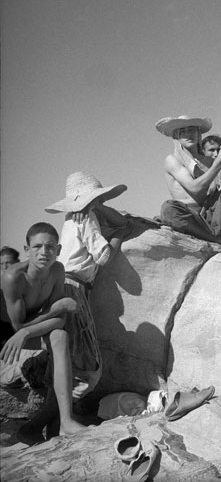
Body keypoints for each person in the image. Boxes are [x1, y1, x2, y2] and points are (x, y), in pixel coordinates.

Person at [44, 171, 132, 412]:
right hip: (74, 289)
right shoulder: (87, 217)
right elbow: (103, 256)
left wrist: (95, 206)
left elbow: (120, 220)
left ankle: (54, 424)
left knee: (69, 362)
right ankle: (44, 422)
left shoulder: (73, 218)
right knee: (87, 367)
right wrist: (118, 237)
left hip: (64, 286)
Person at [0, 223, 88, 444]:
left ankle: (66, 422)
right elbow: (17, 326)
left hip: (27, 331)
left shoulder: (57, 270)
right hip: (7, 335)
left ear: (58, 250)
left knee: (61, 336)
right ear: (27, 249)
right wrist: (56, 309)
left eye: (50, 247)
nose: (43, 252)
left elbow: (59, 320)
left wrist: (31, 328)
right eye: (37, 246)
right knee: (60, 336)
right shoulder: (13, 278)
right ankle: (45, 426)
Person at [157, 115, 221, 252]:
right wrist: (219, 162)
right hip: (188, 216)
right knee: (168, 208)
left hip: (209, 216)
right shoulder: (172, 160)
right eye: (183, 132)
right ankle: (219, 239)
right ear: (176, 136)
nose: (188, 135)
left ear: (199, 134)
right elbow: (194, 189)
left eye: (192, 130)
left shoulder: (208, 160)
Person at [1, 246, 21, 347]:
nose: (4, 267)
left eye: (8, 263)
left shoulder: (26, 284)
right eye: (1, 264)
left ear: (17, 262)